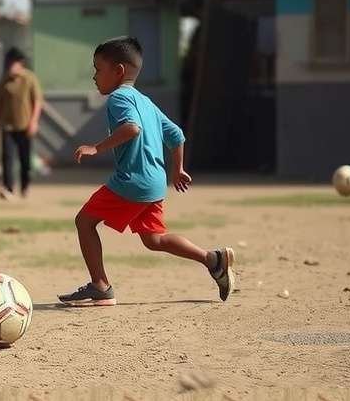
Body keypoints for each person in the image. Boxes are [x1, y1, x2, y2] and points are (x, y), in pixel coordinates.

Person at [57, 36, 235, 306]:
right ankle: (213, 259)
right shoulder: (145, 101)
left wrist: (96, 147)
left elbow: (132, 128)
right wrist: (178, 169)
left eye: (98, 69)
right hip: (155, 182)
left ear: (118, 71)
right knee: (154, 240)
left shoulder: (118, 98)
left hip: (133, 181)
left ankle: (100, 286)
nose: (94, 76)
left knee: (84, 221)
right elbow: (176, 134)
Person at [0, 47, 42, 200]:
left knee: (24, 158)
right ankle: (8, 188)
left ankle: (25, 186)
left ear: (20, 63)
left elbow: (37, 101)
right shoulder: (4, 81)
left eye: (13, 63)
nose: (11, 66)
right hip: (7, 126)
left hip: (25, 126)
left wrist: (34, 122)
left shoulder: (30, 78)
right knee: (7, 158)